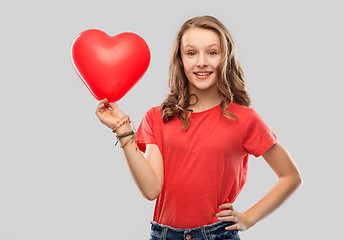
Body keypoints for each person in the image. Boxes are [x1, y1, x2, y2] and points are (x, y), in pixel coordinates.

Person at [95, 15, 302, 240]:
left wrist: (248, 218)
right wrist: (122, 128)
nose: (201, 61)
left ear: (226, 57)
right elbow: (151, 189)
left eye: (212, 52)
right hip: (164, 235)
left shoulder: (244, 119)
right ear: (180, 60)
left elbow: (290, 176)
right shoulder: (158, 117)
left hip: (217, 235)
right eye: (191, 53)